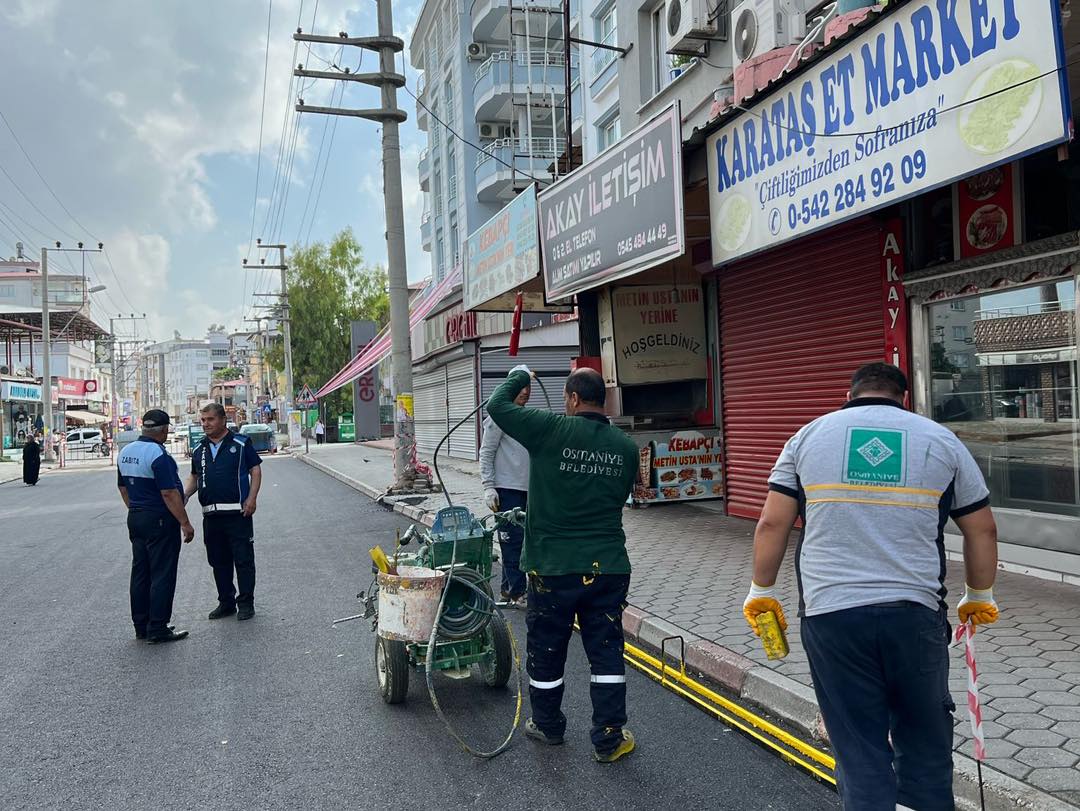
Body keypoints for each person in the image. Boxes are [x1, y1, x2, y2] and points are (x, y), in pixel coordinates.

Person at [742, 362, 999, 810]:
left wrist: (761, 589)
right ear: (904, 398)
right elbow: (983, 530)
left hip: (831, 616)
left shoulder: (807, 437)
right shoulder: (940, 440)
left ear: (851, 393)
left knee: (859, 748)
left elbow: (770, 523)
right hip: (915, 615)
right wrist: (979, 594)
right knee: (924, 742)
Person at [487, 365, 638, 763]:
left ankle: (548, 726)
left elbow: (497, 405)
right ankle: (609, 737)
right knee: (605, 650)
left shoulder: (549, 429)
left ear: (571, 399)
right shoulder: (626, 447)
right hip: (607, 568)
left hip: (552, 568)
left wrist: (522, 375)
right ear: (600, 401)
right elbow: (621, 497)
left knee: (548, 647)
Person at [117, 409, 194, 644]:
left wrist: (136, 509)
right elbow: (169, 493)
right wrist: (185, 523)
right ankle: (158, 626)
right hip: (159, 519)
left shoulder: (125, 452)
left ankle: (141, 625)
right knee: (162, 572)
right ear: (164, 430)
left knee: (141, 572)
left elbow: (123, 489)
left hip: (136, 517)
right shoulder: (159, 455)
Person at [184, 402, 263, 622]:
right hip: (211, 516)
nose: (205, 424)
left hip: (238, 514)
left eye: (210, 419)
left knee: (243, 560)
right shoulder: (199, 449)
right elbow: (195, 477)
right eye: (203, 420)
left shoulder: (240, 443)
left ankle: (246, 603)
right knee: (218, 561)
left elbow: (255, 470)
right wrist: (185, 495)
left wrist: (252, 498)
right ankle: (226, 602)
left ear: (222, 420)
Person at [479, 370, 531, 608]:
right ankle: (518, 592)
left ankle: (507, 588)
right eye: (520, 386)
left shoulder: (527, 416)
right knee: (512, 541)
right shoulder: (498, 418)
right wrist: (489, 487)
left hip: (529, 489)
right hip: (506, 490)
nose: (525, 391)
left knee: (526, 541)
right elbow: (486, 453)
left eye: (527, 386)